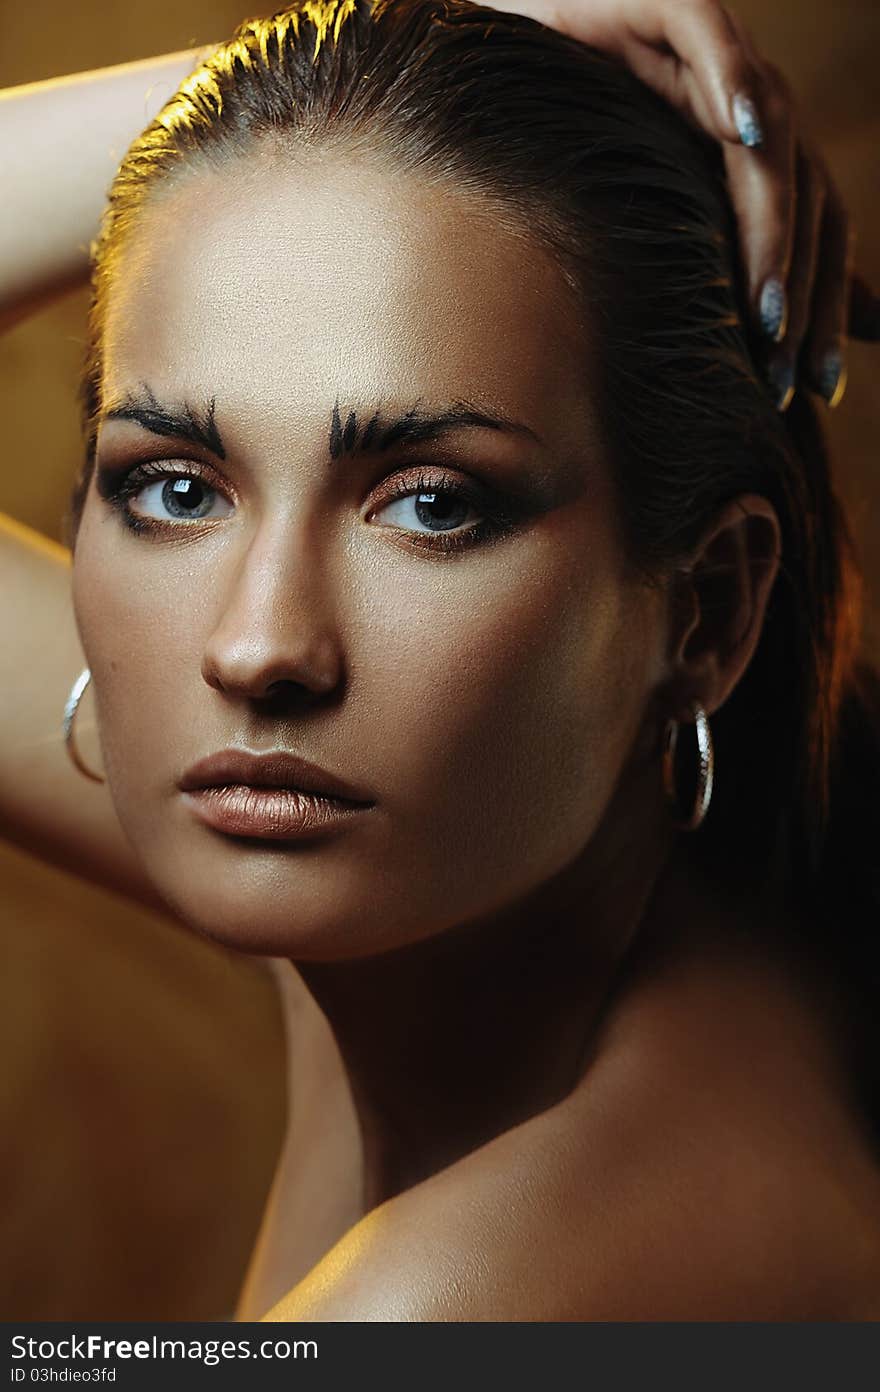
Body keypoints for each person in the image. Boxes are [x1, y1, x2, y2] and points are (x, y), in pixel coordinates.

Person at [2, 0, 879, 1321]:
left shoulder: (469, 1299)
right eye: (178, 489)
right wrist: (327, 79)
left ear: (703, 614)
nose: (256, 647)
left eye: (430, 504)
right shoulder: (432, 878)